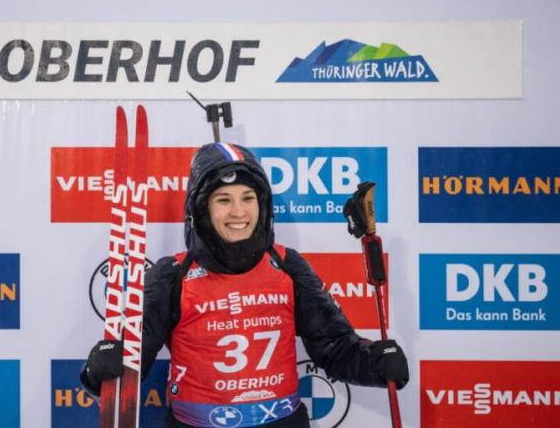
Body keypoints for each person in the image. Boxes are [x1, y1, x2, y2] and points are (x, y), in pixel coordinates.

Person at [82, 142, 409, 427]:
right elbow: (129, 366)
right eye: (223, 199)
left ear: (262, 204)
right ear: (202, 209)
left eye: (247, 198)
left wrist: (374, 362)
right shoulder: (173, 275)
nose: (238, 211)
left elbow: (334, 347)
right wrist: (99, 372)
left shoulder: (286, 265)